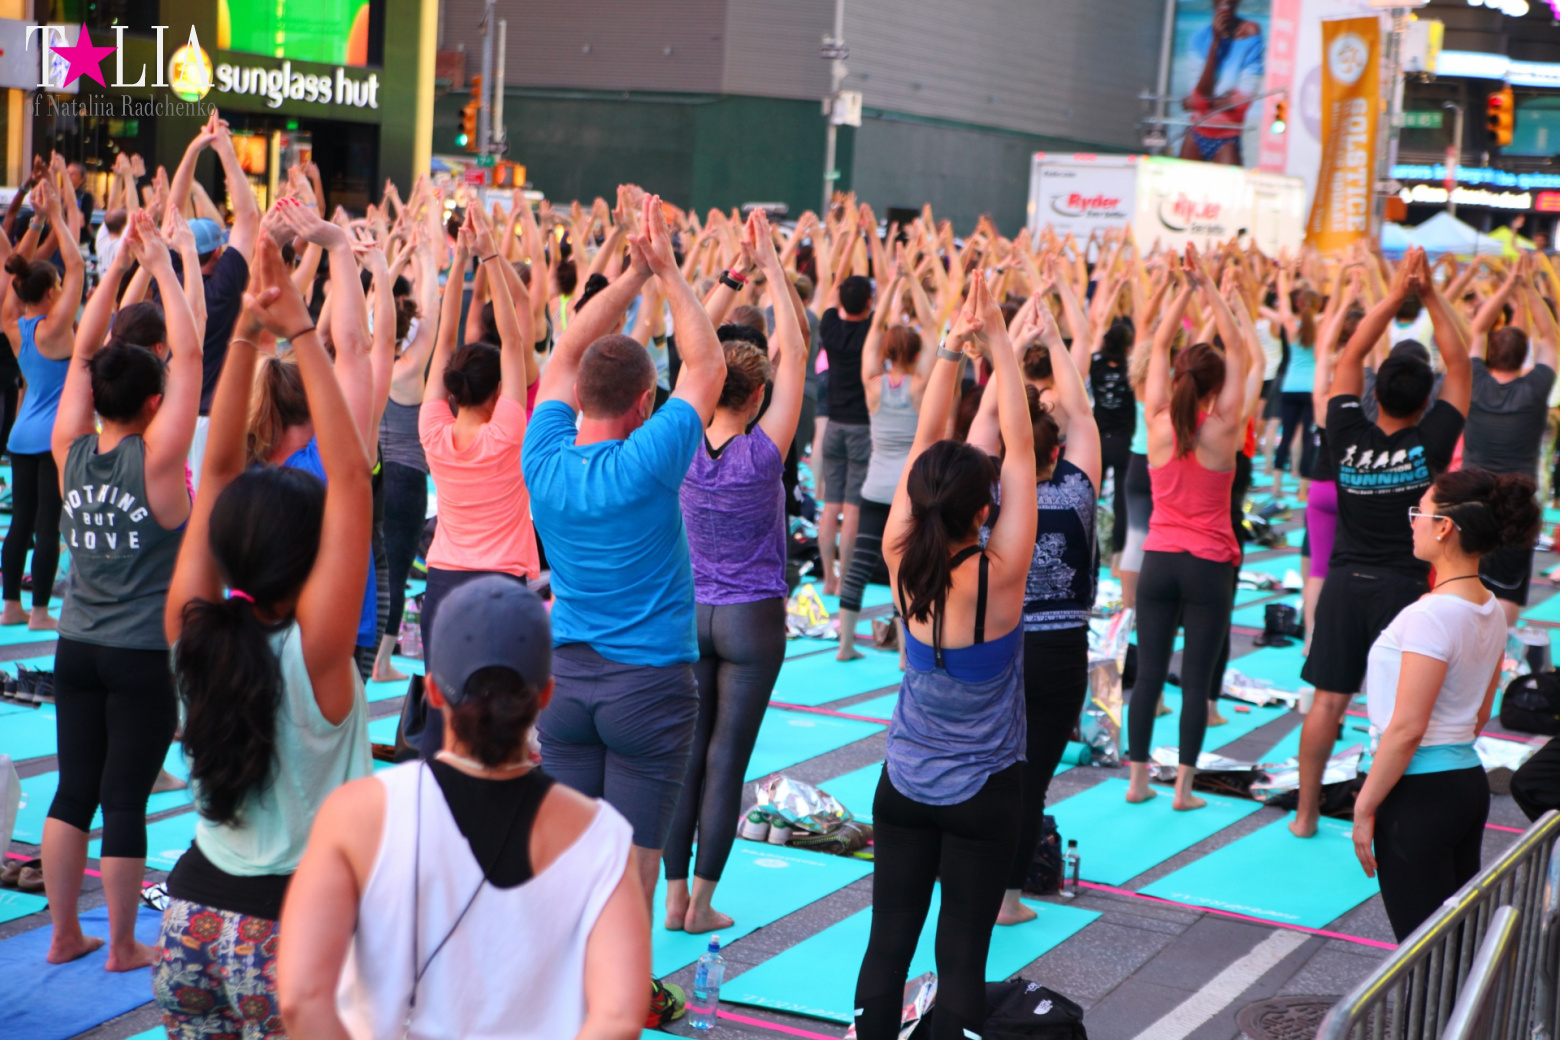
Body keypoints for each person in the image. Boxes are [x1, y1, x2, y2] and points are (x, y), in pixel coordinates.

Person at [153, 233, 373, 1032]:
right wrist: (300, 329)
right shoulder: (317, 655)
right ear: (310, 557)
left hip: (191, 925)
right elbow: (351, 479)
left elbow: (213, 476)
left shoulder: (195, 632)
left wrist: (249, 330)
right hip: (295, 934)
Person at [276, 577, 649, 1040]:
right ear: (546, 696)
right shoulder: (602, 836)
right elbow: (618, 1017)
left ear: (432, 691)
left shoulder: (356, 812)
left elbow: (301, 998)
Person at [522, 192, 724, 1024]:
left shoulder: (543, 454)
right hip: (651, 689)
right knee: (636, 872)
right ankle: (620, 1005)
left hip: (567, 684)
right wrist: (670, 274)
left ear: (580, 399)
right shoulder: (649, 460)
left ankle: (566, 998)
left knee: (572, 861)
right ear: (645, 403)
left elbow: (569, 344)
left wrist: (631, 274)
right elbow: (707, 368)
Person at [852, 271, 1035, 1040]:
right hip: (983, 792)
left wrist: (957, 350)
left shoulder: (899, 552)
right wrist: (998, 339)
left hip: (905, 780)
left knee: (888, 941)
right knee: (962, 951)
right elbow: (1022, 448)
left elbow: (927, 446)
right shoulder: (998, 575)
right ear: (984, 510)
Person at [40, 211, 200, 969]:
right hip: (140, 655)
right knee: (126, 801)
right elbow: (193, 351)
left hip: (74, 646)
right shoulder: (161, 463)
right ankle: (123, 944)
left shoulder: (68, 450)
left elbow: (80, 359)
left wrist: (116, 271)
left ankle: (65, 933)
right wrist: (164, 263)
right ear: (152, 403)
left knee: (73, 791)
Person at [1292, 249, 1472, 839]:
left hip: (1344, 582)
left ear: (1376, 395)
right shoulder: (1431, 443)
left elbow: (1346, 356)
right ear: (1425, 402)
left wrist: (1394, 296)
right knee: (1395, 716)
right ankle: (1381, 809)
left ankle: (1305, 813)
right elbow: (1459, 362)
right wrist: (1429, 292)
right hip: (1403, 588)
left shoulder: (1345, 431)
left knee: (1326, 703)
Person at [664, 209, 804, 934]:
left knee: (688, 753)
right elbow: (799, 346)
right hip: (752, 619)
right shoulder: (764, 451)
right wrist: (773, 267)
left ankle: (671, 894)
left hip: (692, 610)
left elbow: (679, 350)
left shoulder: (679, 433)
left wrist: (727, 276)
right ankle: (700, 904)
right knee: (727, 759)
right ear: (757, 397)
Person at [1353, 469, 1539, 941]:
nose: (1412, 521)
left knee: (1423, 955)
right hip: (1463, 782)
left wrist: (1364, 805)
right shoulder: (1490, 607)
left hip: (1417, 794)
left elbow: (1406, 729)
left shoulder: (1430, 615)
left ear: (1444, 528)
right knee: (1452, 950)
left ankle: (1437, 1021)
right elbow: (1478, 715)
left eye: (1420, 512)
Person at [969, 298, 1100, 926]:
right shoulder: (1079, 489)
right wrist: (1055, 341)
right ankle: (1009, 898)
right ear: (1058, 453)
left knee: (990, 769)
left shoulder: (994, 494)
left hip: (1004, 644)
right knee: (1032, 779)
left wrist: (1007, 345)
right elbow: (1082, 413)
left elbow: (984, 426)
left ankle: (972, 876)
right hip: (1062, 654)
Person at [408, 207, 536, 754]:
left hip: (442, 585)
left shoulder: (433, 428)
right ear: (493, 394)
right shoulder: (507, 431)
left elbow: (441, 345)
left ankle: (438, 804)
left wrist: (460, 261)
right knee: (499, 709)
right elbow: (513, 340)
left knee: (447, 702)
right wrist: (485, 254)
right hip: (501, 584)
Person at [1126, 248, 1251, 810]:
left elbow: (1154, 346)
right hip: (1208, 565)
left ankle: (1136, 780)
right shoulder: (1223, 430)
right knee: (1196, 682)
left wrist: (1182, 288)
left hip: (1158, 559)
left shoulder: (1155, 423)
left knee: (1149, 674)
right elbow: (1242, 352)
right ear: (1215, 387)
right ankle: (1181, 788)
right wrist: (1210, 289)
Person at [837, 257, 938, 661]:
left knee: (859, 564)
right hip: (907, 488)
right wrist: (911, 280)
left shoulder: (873, 384)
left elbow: (871, 337)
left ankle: (845, 646)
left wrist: (891, 290)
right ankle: (902, 653)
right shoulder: (918, 386)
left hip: (875, 486)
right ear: (913, 355)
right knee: (906, 567)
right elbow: (932, 329)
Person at [166, 108, 261, 486]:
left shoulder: (167, 279)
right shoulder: (223, 289)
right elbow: (249, 217)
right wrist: (223, 148)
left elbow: (171, 213)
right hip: (212, 418)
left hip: (168, 412)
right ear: (218, 254)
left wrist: (192, 150)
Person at [0, 180, 80, 630]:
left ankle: (10, 604)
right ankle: (40, 612)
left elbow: (14, 281)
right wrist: (59, 218)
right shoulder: (55, 330)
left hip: (21, 434)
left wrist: (38, 222)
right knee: (48, 523)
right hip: (53, 437)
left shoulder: (14, 327)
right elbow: (76, 266)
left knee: (20, 523)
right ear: (51, 293)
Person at [1463, 260, 1556, 625]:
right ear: (1523, 359)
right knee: (1507, 589)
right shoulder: (1535, 388)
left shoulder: (1476, 382)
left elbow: (1477, 327)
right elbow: (1550, 338)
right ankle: (1497, 661)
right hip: (1518, 498)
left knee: (1468, 581)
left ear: (1489, 354)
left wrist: (1507, 287)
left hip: (1474, 496)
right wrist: (1528, 287)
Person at [371, 232, 438, 682]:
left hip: (373, 473)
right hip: (407, 477)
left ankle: (369, 651)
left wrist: (389, 263)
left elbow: (370, 310)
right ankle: (381, 663)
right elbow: (432, 312)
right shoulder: (412, 369)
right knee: (396, 567)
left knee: (373, 564)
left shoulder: (373, 361)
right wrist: (427, 258)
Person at [817, 271, 876, 596]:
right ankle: (846, 580)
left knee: (830, 504)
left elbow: (828, 296)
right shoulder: (871, 331)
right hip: (861, 426)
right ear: (869, 303)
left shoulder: (829, 326)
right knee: (852, 507)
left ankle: (828, 578)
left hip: (834, 424)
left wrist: (846, 241)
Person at [1177, 0, 1264, 166]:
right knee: (1181, 191)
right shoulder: (1199, 39)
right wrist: (1215, 44)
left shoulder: (1251, 34)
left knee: (1228, 191)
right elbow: (1202, 92)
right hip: (1196, 133)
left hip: (1227, 138)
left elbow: (1242, 102)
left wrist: (1200, 103)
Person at [1092, 318, 1136, 566]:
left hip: (1099, 440)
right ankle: (1118, 557)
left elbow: (1094, 331)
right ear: (1128, 347)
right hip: (1122, 442)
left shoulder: (1095, 366)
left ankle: (1090, 550)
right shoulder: (1131, 369)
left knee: (1089, 499)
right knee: (1122, 503)